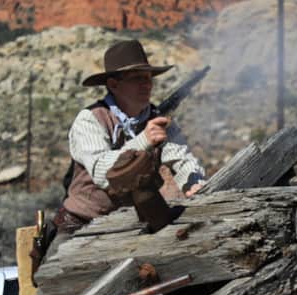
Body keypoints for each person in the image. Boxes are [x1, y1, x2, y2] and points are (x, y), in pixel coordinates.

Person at [54, 38, 207, 236]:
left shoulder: (156, 119)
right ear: (113, 84)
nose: (147, 84)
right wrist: (144, 140)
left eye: (148, 78)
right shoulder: (89, 120)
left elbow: (181, 158)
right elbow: (103, 173)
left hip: (130, 225)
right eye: (137, 78)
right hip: (81, 225)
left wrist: (194, 182)